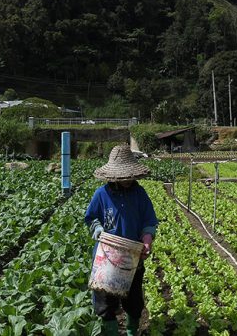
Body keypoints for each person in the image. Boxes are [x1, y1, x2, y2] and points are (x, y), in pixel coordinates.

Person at [85, 144, 158, 336]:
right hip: (106, 257)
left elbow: (149, 221)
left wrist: (147, 239)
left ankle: (132, 330)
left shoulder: (140, 194)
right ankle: (110, 331)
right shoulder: (102, 194)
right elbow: (91, 218)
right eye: (123, 176)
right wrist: (99, 230)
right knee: (105, 302)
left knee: (134, 301)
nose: (127, 180)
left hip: (132, 256)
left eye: (129, 176)